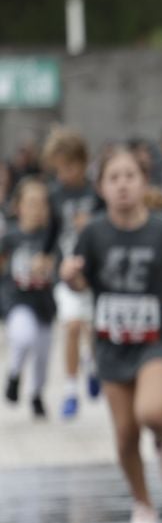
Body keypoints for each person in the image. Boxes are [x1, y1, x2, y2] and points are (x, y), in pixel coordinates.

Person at [59, 145, 162, 523]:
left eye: (130, 176)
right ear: (101, 187)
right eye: (113, 178)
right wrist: (70, 277)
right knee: (123, 434)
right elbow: (82, 282)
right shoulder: (93, 232)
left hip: (158, 334)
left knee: (152, 411)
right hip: (110, 340)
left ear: (143, 182)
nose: (122, 185)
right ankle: (143, 505)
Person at [44, 128, 100, 420]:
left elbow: (109, 223)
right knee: (72, 326)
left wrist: (91, 224)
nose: (64, 174)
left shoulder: (96, 192)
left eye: (69, 166)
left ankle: (91, 365)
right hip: (64, 272)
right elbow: (51, 230)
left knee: (92, 328)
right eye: (59, 168)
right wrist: (43, 255)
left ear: (82, 162)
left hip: (92, 272)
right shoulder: (55, 194)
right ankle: (69, 390)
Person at [3, 176, 58, 419]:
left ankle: (36, 394)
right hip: (17, 299)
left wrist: (48, 263)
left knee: (43, 354)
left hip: (43, 302)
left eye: (42, 204)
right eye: (31, 203)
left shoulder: (49, 238)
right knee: (23, 337)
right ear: (19, 207)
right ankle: (14, 374)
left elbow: (59, 263)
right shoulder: (11, 237)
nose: (37, 209)